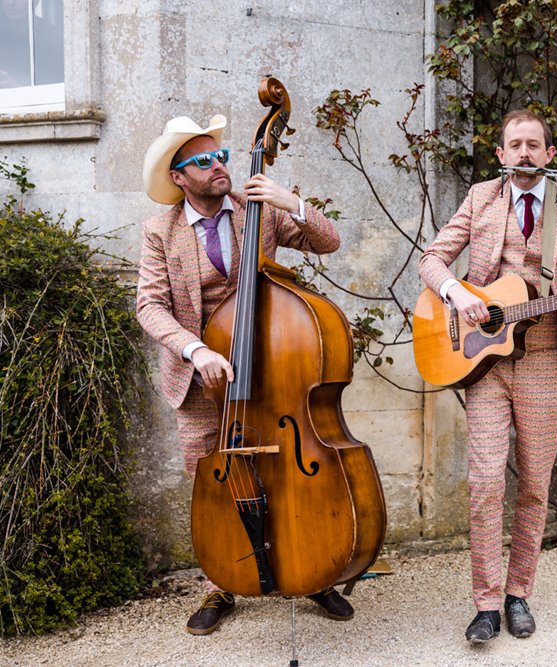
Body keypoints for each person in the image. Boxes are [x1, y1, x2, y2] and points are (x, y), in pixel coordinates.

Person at [136, 114, 355, 635]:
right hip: (200, 380)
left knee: (285, 473)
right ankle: (222, 582)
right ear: (178, 177)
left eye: (222, 156)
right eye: (203, 160)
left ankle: (310, 571)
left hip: (272, 368)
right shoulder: (158, 232)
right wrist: (194, 349)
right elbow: (149, 306)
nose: (218, 166)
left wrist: (291, 203)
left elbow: (329, 242)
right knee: (215, 481)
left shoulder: (256, 210)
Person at [418, 109, 557, 642]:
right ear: (502, 154)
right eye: (516, 145)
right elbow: (433, 260)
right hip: (485, 360)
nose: (525, 152)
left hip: (549, 358)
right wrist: (458, 293)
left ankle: (518, 596)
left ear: (550, 154)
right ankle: (485, 604)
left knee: (534, 482)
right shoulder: (481, 197)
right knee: (485, 482)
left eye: (535, 144)